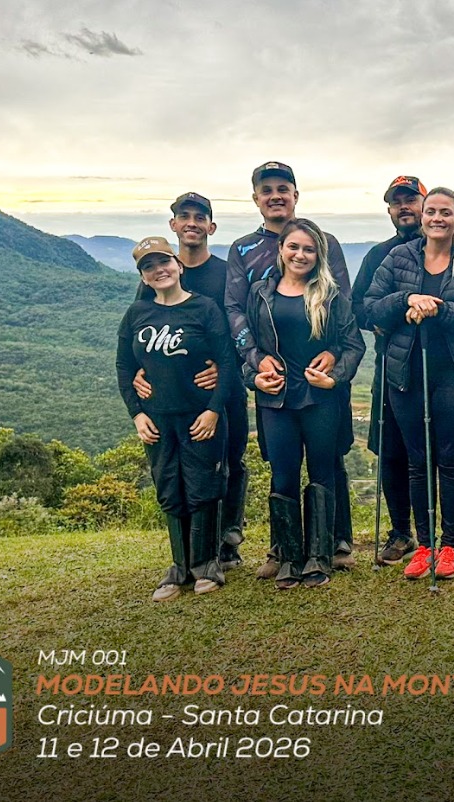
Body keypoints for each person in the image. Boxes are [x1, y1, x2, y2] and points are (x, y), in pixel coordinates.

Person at [224, 162, 357, 579]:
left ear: (295, 194)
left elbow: (345, 320)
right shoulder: (244, 250)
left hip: (320, 387)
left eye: (284, 188)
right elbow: (235, 310)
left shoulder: (328, 243)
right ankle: (284, 550)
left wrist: (335, 361)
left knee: (326, 463)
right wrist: (253, 361)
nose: (275, 195)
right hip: (273, 386)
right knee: (280, 468)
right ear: (256, 198)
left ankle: (331, 546)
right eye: (267, 189)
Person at [364, 188, 454, 581]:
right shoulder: (398, 258)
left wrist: (442, 309)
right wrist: (407, 299)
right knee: (417, 461)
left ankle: (450, 544)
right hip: (405, 374)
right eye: (432, 211)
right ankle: (423, 545)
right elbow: (370, 305)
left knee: (450, 459)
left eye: (446, 212)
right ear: (422, 216)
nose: (437, 218)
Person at [116, 236, 239, 600]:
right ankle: (179, 566)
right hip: (158, 419)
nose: (159, 270)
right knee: (169, 488)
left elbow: (227, 361)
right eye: (149, 266)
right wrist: (137, 414)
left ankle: (206, 565)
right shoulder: (137, 313)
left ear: (178, 265)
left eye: (164, 262)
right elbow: (125, 365)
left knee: (204, 487)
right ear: (144, 275)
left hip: (200, 415)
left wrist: (214, 410)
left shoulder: (203, 309)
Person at [131, 193, 247, 573]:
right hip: (178, 396)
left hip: (222, 389)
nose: (192, 223)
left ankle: (228, 539)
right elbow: (143, 329)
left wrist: (222, 367)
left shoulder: (224, 272)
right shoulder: (156, 275)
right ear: (174, 225)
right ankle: (196, 551)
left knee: (230, 462)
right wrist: (139, 370)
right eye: (185, 216)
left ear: (211, 227)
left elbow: (237, 321)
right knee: (184, 469)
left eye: (200, 217)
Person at [352, 176, 426, 566]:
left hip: (437, 365)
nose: (404, 207)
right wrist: (384, 319)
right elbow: (359, 306)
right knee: (393, 451)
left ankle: (446, 537)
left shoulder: (442, 250)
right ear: (389, 210)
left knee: (444, 450)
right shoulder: (378, 255)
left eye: (410, 200)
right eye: (397, 202)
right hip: (391, 364)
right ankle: (401, 532)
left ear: (424, 203)